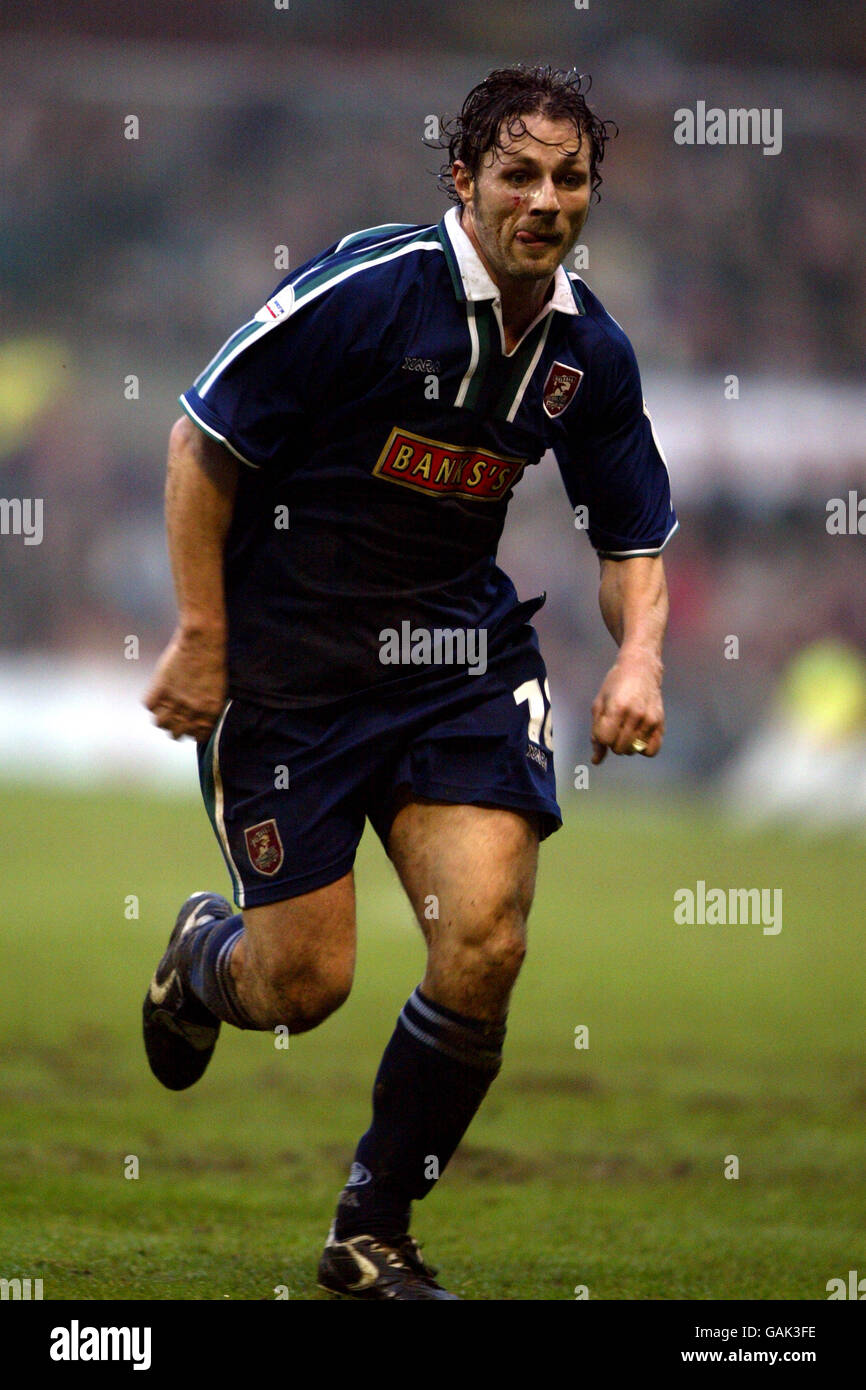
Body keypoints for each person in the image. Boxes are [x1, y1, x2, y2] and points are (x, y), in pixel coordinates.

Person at [143, 63, 677, 1301]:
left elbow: (630, 538)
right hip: (291, 674)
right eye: (517, 173)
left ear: (591, 191)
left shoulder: (590, 353)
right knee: (302, 986)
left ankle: (369, 1228)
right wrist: (200, 636)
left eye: (569, 177)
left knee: (483, 942)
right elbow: (198, 442)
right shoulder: (366, 292)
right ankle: (202, 956)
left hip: (453, 664)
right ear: (463, 180)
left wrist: (641, 655)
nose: (544, 199)